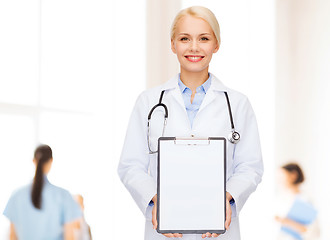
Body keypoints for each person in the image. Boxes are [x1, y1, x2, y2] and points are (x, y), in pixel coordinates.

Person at [118, 6, 263, 240]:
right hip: (164, 229)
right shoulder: (148, 102)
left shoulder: (237, 104)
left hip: (218, 229)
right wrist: (157, 199)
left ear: (216, 44)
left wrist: (226, 197)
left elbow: (250, 167)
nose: (194, 47)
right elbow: (130, 166)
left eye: (204, 38)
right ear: (173, 44)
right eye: (185, 38)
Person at [3, 144, 82, 240]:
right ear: (51, 161)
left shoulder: (16, 196)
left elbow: (12, 236)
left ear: (33, 161)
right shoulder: (63, 196)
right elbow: (69, 237)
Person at [275, 163, 320, 240]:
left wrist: (287, 222)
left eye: (282, 176)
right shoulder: (279, 199)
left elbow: (314, 232)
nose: (279, 180)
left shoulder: (305, 200)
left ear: (293, 175)